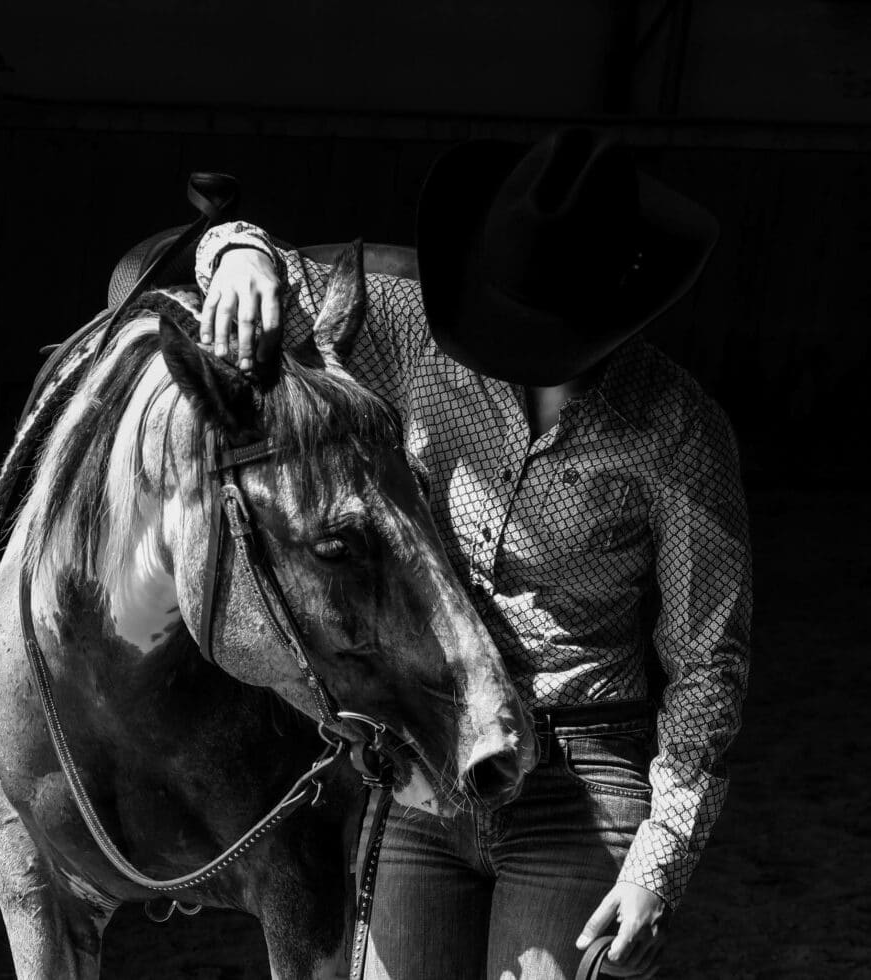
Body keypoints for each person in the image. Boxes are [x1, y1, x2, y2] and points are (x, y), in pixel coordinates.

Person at [191, 128, 751, 980]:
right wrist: (236, 254)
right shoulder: (416, 333)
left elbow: (708, 665)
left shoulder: (676, 433)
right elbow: (263, 267)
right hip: (430, 761)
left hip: (582, 782)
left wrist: (656, 864)